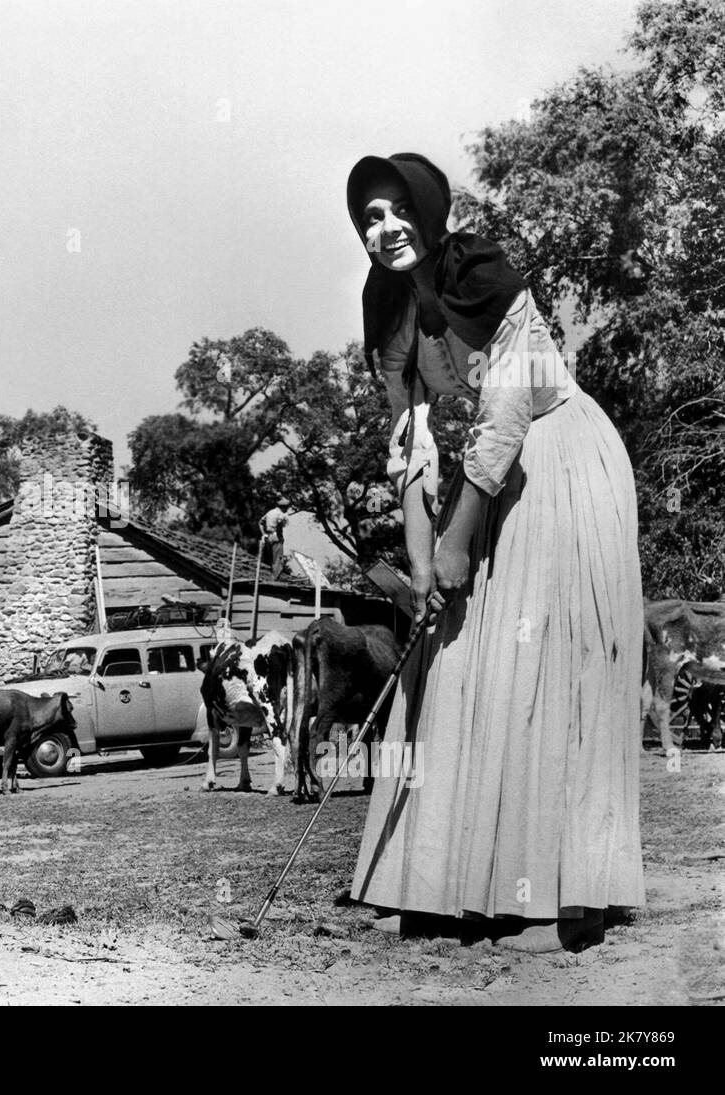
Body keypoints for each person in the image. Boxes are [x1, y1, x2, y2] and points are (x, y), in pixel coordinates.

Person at [344, 153, 643, 952]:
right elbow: (410, 439)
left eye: (396, 208)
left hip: (560, 457)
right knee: (447, 655)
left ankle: (562, 902)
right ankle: (437, 884)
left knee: (542, 664)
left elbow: (509, 400)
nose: (384, 228)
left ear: (429, 208)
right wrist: (419, 563)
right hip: (494, 471)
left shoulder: (476, 267)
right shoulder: (387, 303)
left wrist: (458, 533)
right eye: (368, 216)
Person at [259, 496, 291, 580]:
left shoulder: (269, 512)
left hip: (268, 536)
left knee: (269, 558)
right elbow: (280, 525)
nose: (287, 509)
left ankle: (268, 576)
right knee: (277, 559)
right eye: (287, 507)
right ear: (283, 507)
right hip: (276, 536)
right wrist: (280, 538)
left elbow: (260, 523)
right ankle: (275, 578)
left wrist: (264, 534)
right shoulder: (281, 515)